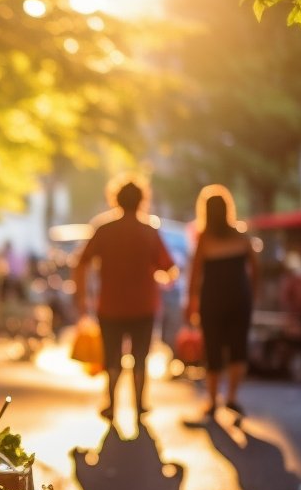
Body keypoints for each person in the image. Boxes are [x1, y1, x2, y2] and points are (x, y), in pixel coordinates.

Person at [73, 175, 176, 423]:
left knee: (112, 357)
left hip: (110, 305)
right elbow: (169, 268)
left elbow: (80, 263)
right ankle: (140, 405)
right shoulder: (149, 231)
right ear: (142, 200)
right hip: (144, 304)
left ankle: (111, 403)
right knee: (140, 356)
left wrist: (82, 297)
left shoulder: (104, 229)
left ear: (115, 199)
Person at [185, 185, 258, 421]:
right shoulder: (241, 235)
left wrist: (190, 303)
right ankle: (232, 397)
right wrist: (252, 294)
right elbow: (256, 269)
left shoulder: (204, 238)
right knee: (238, 348)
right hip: (240, 298)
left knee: (213, 349)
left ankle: (213, 400)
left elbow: (195, 275)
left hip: (212, 299)